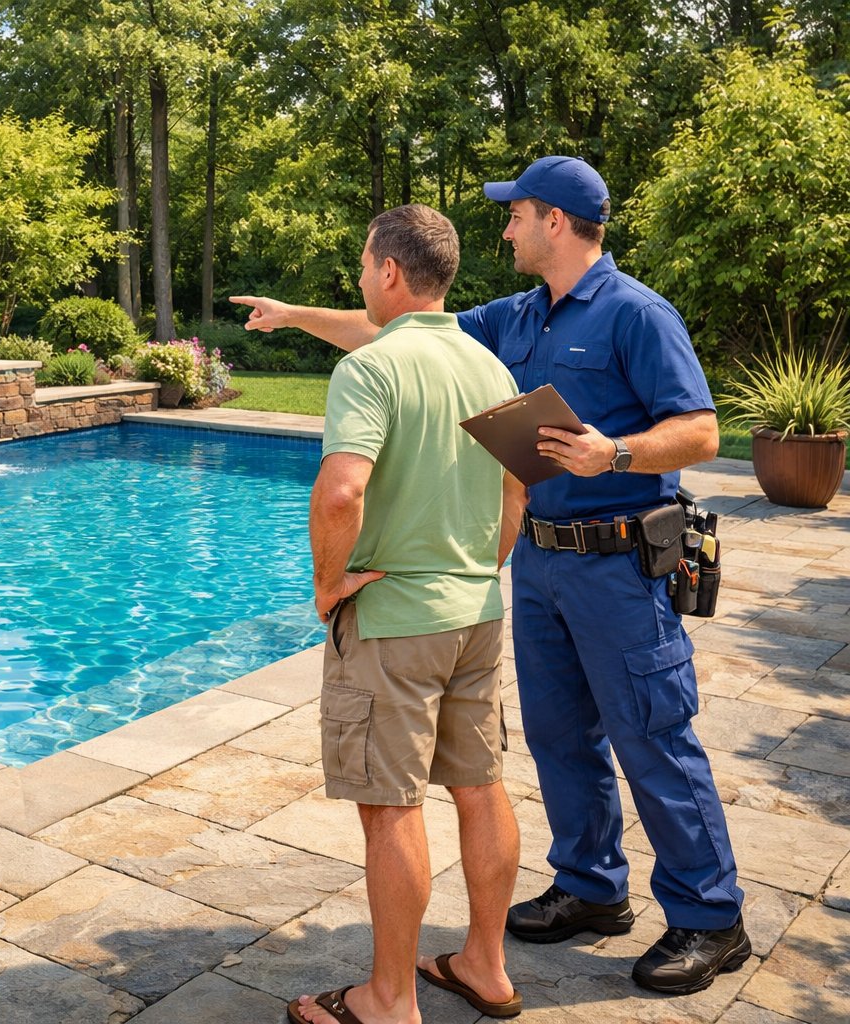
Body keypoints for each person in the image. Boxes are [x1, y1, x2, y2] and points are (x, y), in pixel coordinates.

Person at [233, 155, 749, 999]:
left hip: (620, 560)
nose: (504, 228)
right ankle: (590, 886)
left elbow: (699, 431)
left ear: (556, 221)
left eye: (516, 214)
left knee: (652, 734)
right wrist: (294, 315)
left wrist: (612, 451)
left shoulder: (634, 313)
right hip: (539, 559)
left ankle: (709, 914)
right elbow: (393, 332)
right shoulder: (516, 317)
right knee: (555, 735)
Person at [278, 203, 526, 1024]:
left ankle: (389, 1000)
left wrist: (328, 583)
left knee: (392, 806)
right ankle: (485, 967)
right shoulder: (493, 369)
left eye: (361, 265)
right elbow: (519, 486)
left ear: (389, 271)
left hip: (394, 621)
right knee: (482, 787)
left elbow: (342, 487)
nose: (359, 279)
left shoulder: (372, 368)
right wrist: (484, 568)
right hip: (478, 613)